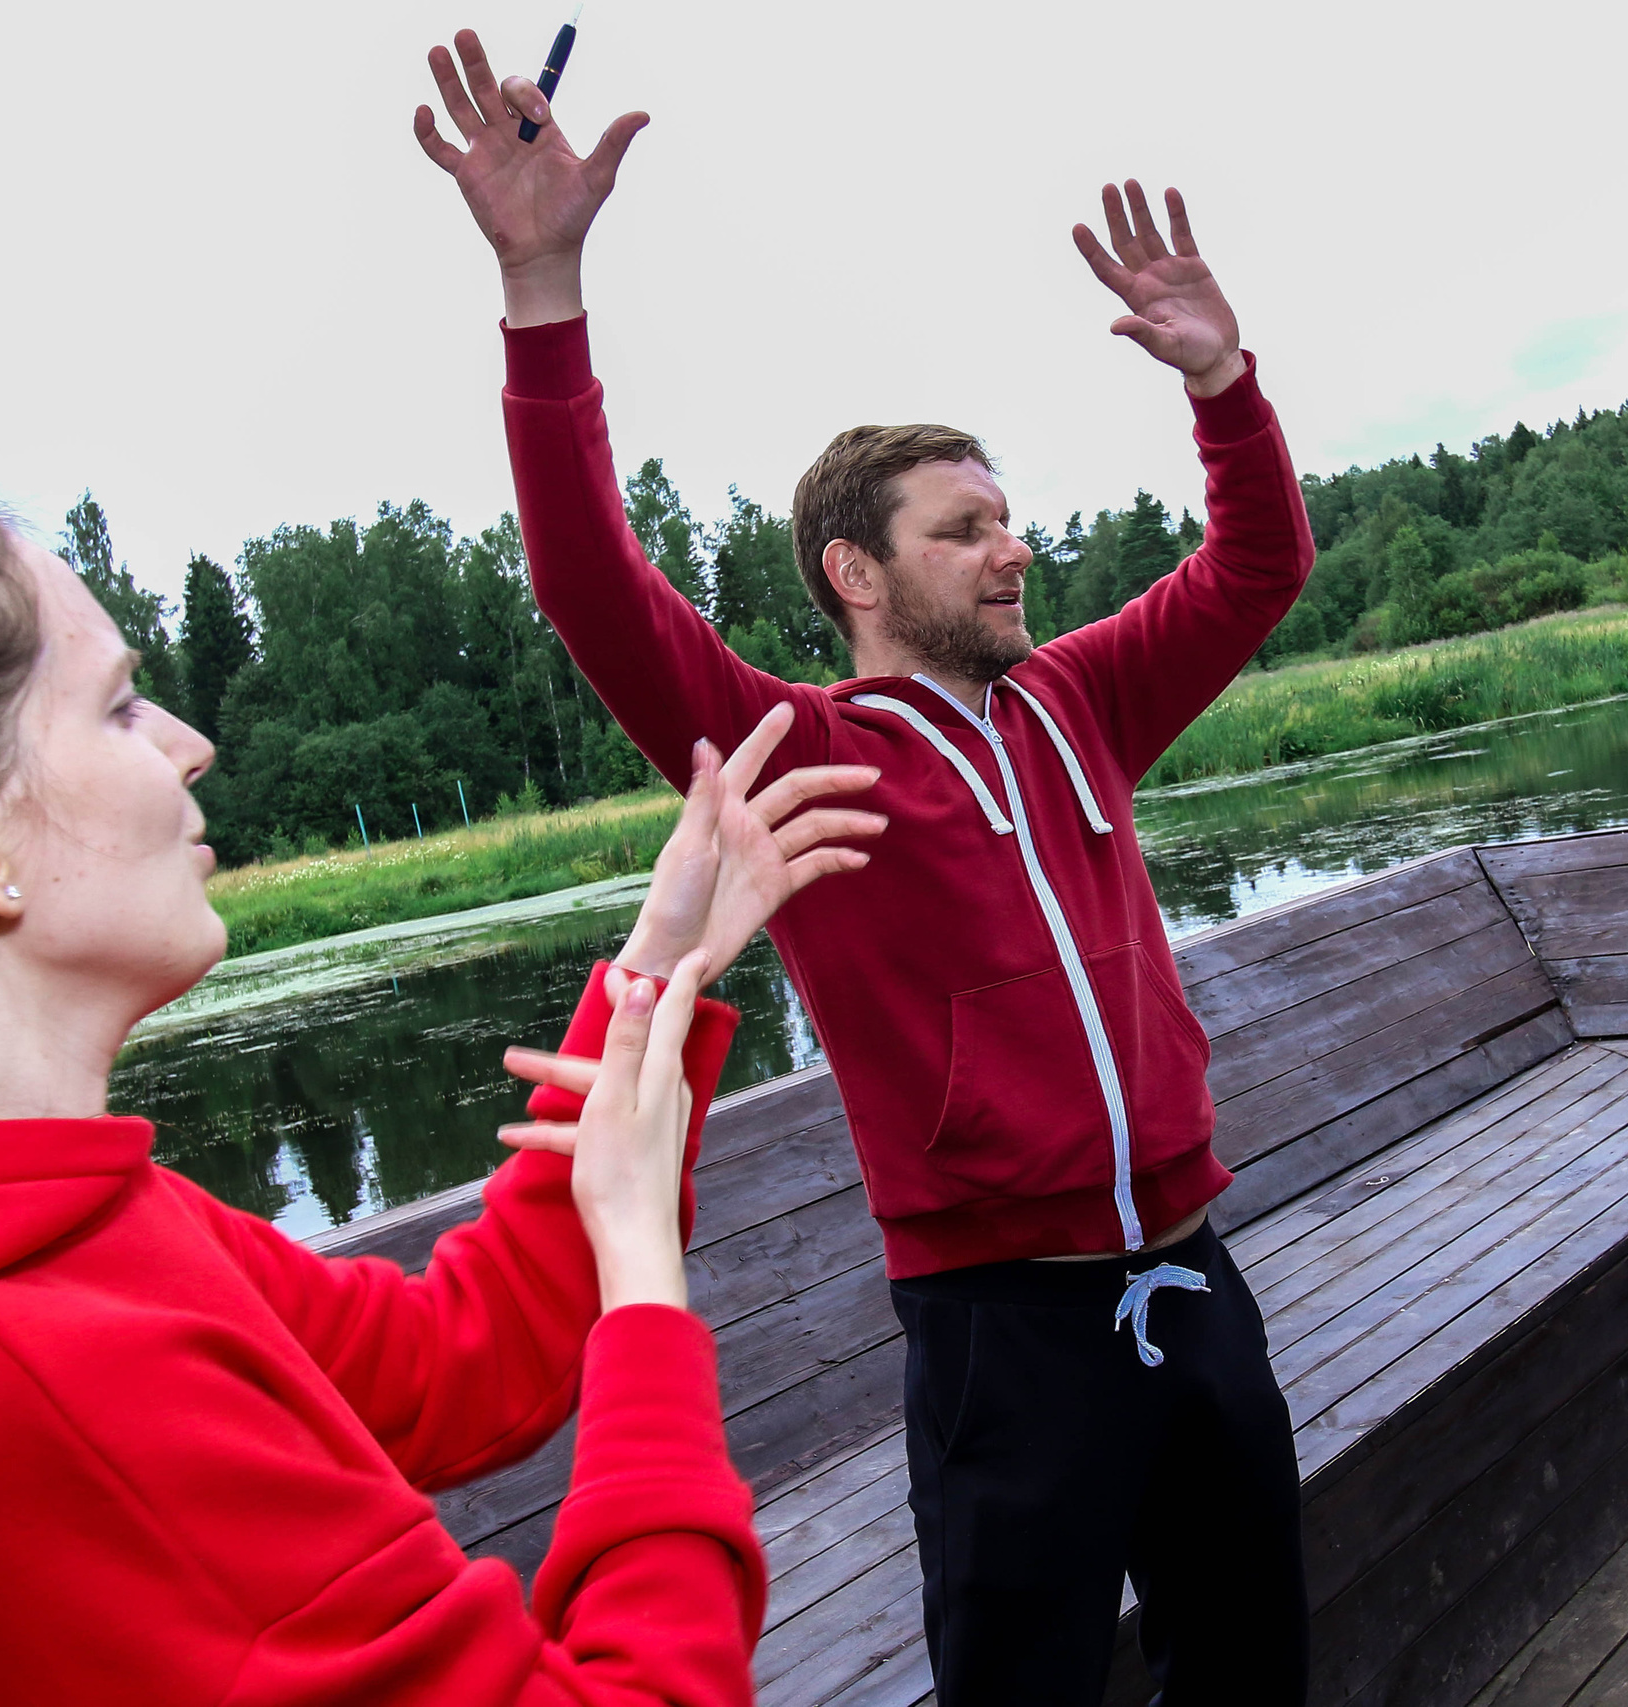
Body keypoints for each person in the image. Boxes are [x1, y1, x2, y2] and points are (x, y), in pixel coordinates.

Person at [415, 33, 1314, 1704]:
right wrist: (545, 292)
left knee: (1253, 1669)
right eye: (965, 526)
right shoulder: (799, 754)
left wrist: (1223, 383)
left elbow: (1262, 558)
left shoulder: (1087, 698)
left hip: (1194, 1273)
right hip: (1004, 1331)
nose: (1012, 546)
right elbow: (595, 587)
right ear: (856, 569)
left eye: (1009, 515)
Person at [0, 475, 887, 1704]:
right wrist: (644, 1286)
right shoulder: (38, 1380)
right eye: (116, 708)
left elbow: (458, 1365)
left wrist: (658, 964)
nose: (188, 744)